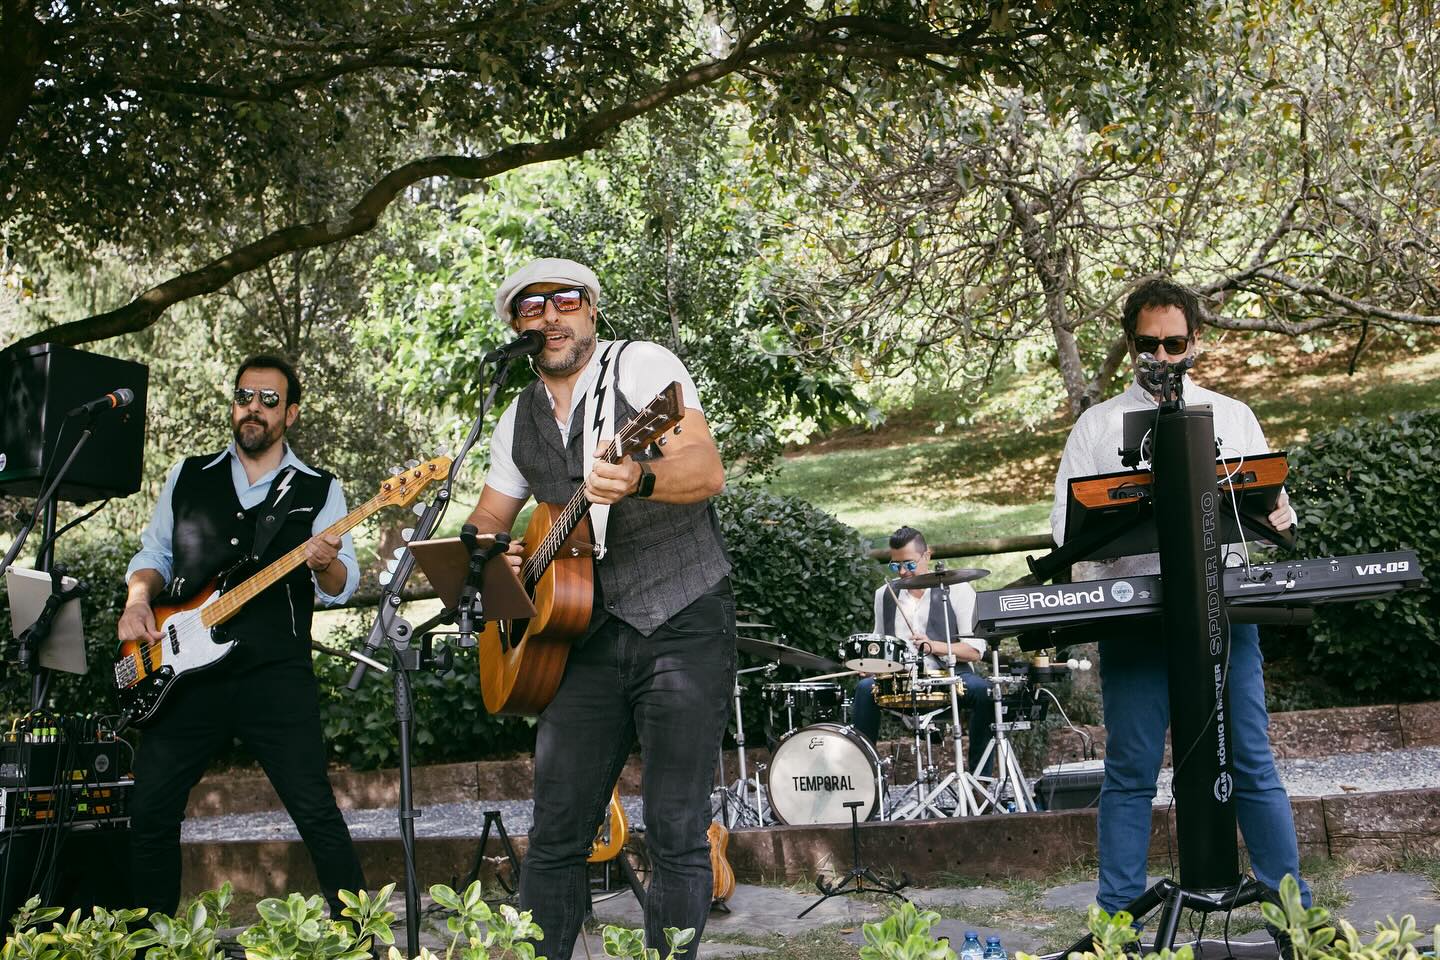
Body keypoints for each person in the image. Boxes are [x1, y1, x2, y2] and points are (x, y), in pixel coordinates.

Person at [467, 258, 734, 960]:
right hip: (578, 639)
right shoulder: (516, 418)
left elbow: (705, 468)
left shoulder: (640, 367)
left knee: (676, 828)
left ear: (590, 310)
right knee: (554, 834)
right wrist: (501, 565)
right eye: (531, 309)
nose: (549, 316)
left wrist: (639, 477)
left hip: (679, 617)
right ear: (517, 328)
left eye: (564, 302)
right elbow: (487, 523)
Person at [1050, 278, 1310, 919]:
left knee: (1250, 757)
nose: (1161, 358)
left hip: (1222, 613)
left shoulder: (1232, 415)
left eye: (1173, 343)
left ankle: (1293, 913)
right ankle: (1117, 922)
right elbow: (1065, 531)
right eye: (1147, 344)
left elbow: (1277, 510)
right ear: (1131, 342)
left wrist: (1279, 514)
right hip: (1138, 617)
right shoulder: (1098, 425)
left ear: (1196, 341)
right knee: (1132, 767)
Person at [119, 354, 367, 918]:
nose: (253, 408)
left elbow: (342, 584)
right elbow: (153, 555)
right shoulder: (188, 475)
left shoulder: (319, 489)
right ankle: (151, 943)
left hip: (275, 674)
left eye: (269, 399)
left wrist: (323, 562)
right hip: (181, 674)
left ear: (292, 414)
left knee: (316, 811)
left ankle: (360, 939)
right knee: (152, 810)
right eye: (244, 396)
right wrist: (138, 600)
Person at [851, 526, 992, 773]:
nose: (903, 572)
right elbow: (880, 644)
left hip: (952, 677)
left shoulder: (957, 589)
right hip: (901, 680)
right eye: (895, 566)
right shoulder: (884, 594)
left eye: (909, 564)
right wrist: (870, 666)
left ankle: (980, 779)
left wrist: (933, 646)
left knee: (986, 693)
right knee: (864, 690)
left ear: (927, 556)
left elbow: (974, 651)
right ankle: (867, 779)